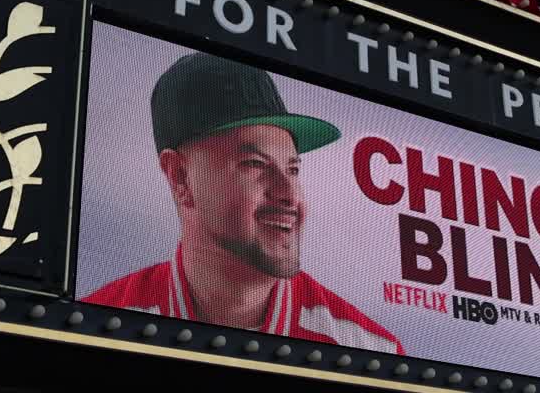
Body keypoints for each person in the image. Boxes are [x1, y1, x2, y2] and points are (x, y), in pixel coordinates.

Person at [84, 51, 403, 354]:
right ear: (180, 177)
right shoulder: (90, 332)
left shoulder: (369, 348)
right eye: (255, 164)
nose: (289, 195)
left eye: (292, 169)